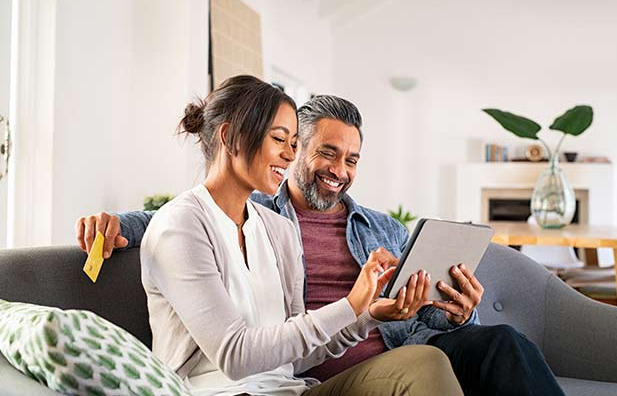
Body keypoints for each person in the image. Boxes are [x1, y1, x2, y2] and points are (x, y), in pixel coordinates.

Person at [77, 93, 565, 396]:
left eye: (352, 159)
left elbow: (420, 314)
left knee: (502, 343)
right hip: (325, 367)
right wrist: (117, 225)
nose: (340, 170)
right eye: (325, 152)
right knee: (429, 364)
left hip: (390, 349)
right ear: (294, 153)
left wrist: (455, 311)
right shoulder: (261, 213)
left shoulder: (380, 228)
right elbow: (182, 217)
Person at [110, 74, 463, 396]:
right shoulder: (180, 226)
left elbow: (299, 357)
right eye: (279, 139)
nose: (291, 154)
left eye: (294, 142)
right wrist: (351, 304)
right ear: (230, 137)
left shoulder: (278, 229)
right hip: (216, 393)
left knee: (425, 362)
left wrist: (369, 315)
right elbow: (235, 356)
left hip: (289, 389)